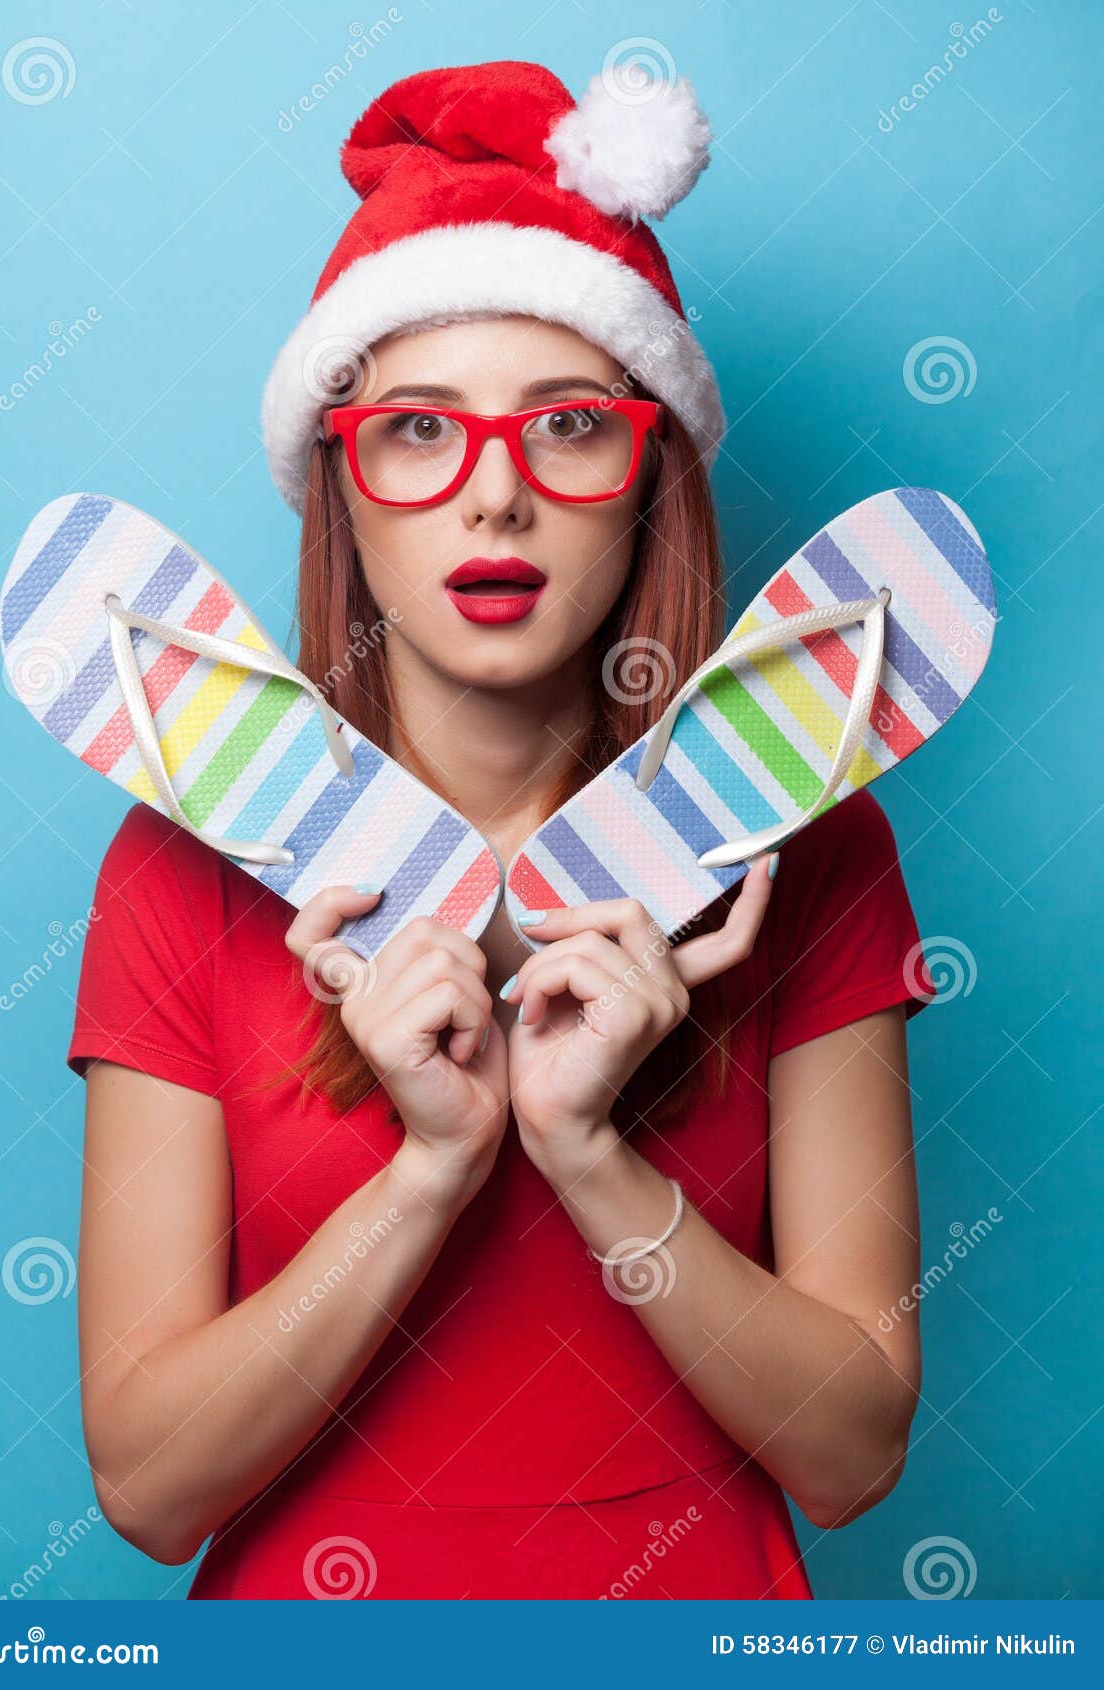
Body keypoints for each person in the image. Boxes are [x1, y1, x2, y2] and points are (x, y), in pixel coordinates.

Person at [67, 60, 935, 1600]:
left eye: (568, 427)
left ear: (648, 475)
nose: (494, 500)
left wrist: (589, 1154)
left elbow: (853, 1454)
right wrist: (433, 1167)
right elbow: (147, 1487)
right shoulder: (176, 865)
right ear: (343, 479)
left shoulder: (812, 851)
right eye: (418, 430)